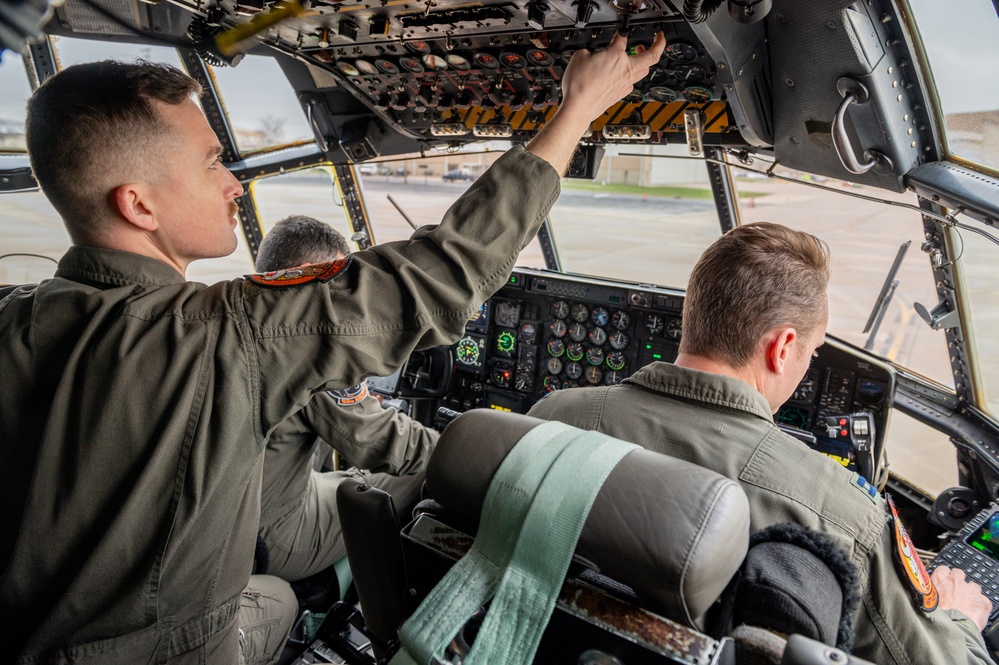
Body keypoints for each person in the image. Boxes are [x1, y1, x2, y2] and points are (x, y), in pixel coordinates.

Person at [0, 33, 667, 664]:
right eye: (210, 163)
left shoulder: (13, 316)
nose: (233, 182)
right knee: (288, 591)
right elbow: (441, 273)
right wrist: (578, 106)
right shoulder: (226, 331)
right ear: (138, 205)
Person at [527, 222, 995, 665]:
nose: (806, 365)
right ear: (782, 347)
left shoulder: (552, 417)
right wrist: (960, 619)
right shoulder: (844, 515)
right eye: (810, 354)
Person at [253, 216, 437, 583]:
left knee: (351, 474)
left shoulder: (244, 316)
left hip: (232, 514)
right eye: (338, 279)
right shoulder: (307, 340)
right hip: (269, 536)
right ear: (307, 273)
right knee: (418, 470)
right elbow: (390, 446)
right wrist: (472, 449)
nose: (343, 294)